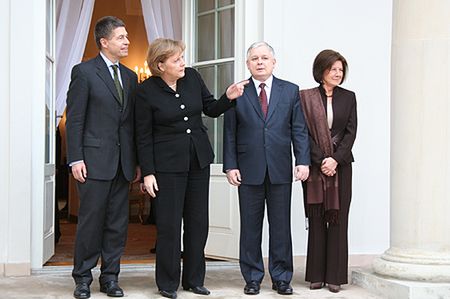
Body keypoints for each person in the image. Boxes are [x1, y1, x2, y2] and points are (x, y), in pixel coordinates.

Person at [135, 38, 248, 299]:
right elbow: (142, 135)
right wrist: (149, 172)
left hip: (198, 161)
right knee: (169, 225)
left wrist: (227, 97)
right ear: (160, 64)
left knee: (198, 223)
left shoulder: (193, 78)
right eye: (176, 59)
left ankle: (194, 280)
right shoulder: (145, 91)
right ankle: (167, 283)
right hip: (166, 167)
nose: (183, 62)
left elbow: (210, 108)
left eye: (182, 57)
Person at [223, 41, 310, 296]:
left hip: (280, 169)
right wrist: (230, 166)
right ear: (247, 63)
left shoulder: (290, 91)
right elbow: (230, 133)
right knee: (250, 227)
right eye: (254, 59)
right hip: (248, 170)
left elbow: (299, 129)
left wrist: (302, 160)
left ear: (274, 62)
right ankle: (252, 277)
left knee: (281, 227)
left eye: (264, 58)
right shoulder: (237, 91)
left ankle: (282, 277)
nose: (259, 62)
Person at [65, 16, 140, 299]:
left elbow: (131, 124)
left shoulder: (131, 77)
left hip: (122, 165)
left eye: (127, 37)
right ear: (104, 42)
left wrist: (136, 162)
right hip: (93, 163)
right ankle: (82, 278)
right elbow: (75, 120)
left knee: (117, 225)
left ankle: (110, 278)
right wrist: (76, 159)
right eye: (121, 37)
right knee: (90, 223)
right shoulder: (83, 73)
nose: (127, 42)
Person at [300, 49, 357, 293]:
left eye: (340, 70)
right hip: (315, 167)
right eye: (332, 69)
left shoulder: (349, 97)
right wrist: (322, 159)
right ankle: (315, 275)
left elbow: (351, 133)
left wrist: (335, 159)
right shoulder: (306, 97)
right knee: (316, 217)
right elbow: (302, 133)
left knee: (338, 218)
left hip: (341, 167)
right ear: (321, 71)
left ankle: (334, 276)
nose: (337, 73)